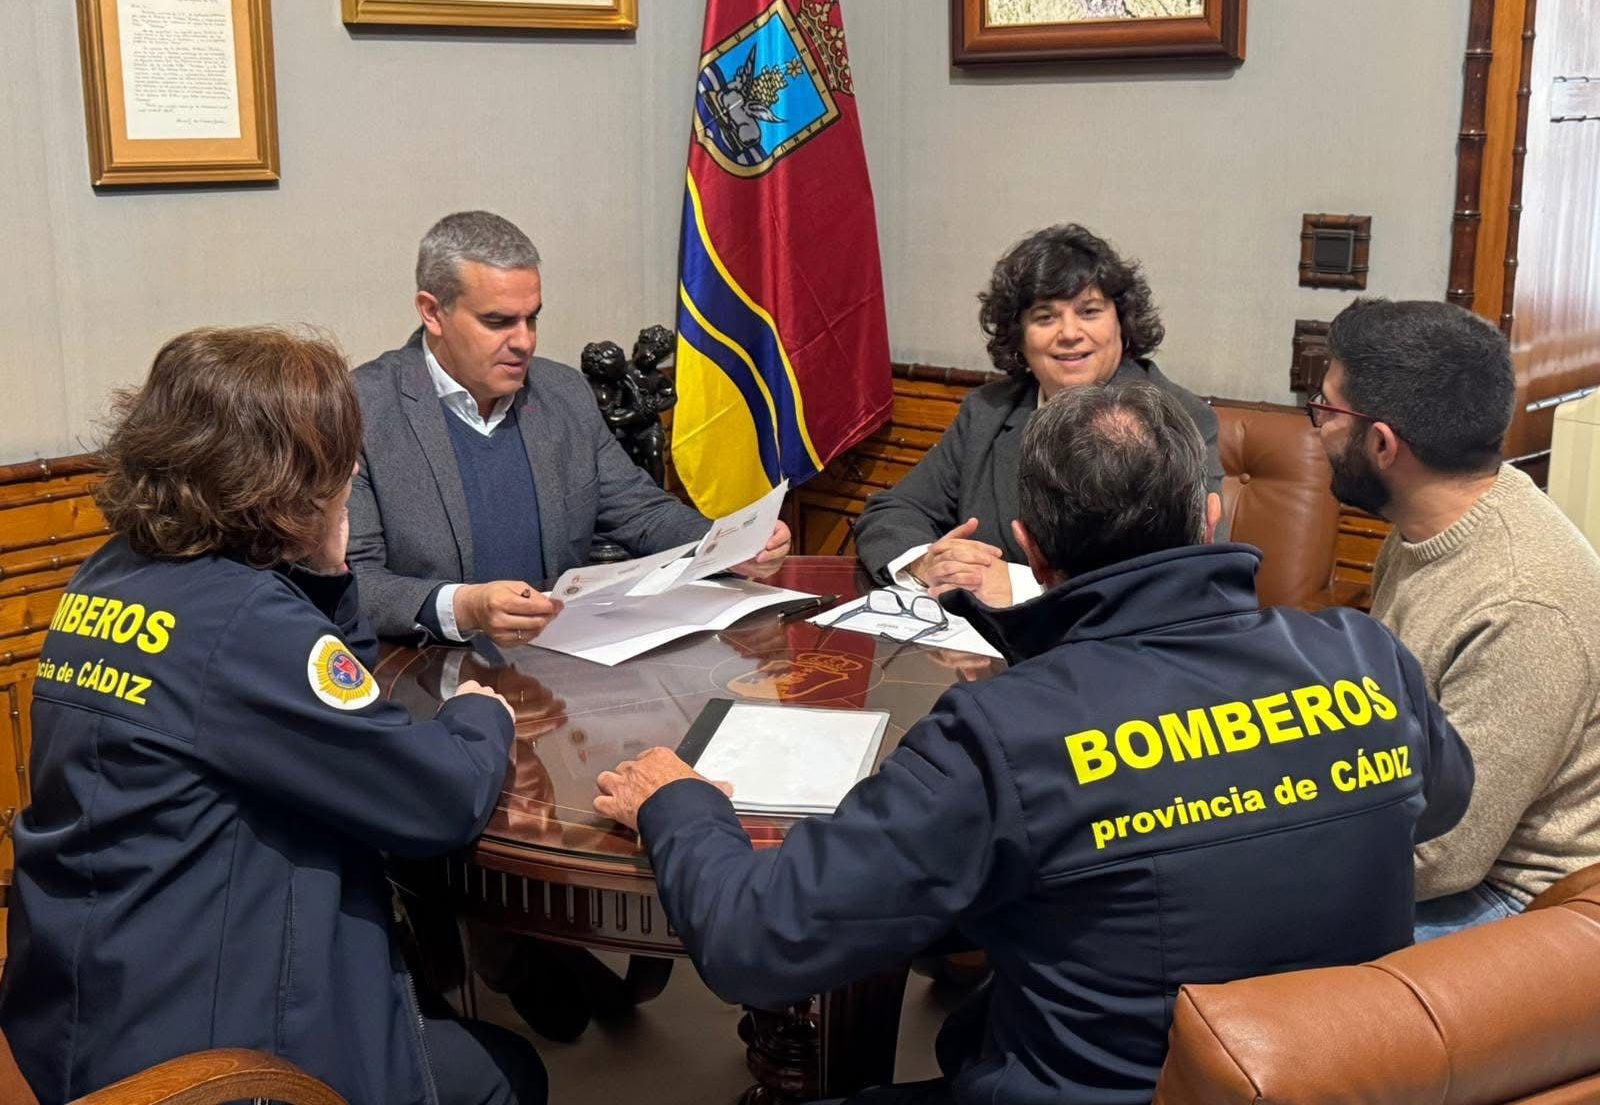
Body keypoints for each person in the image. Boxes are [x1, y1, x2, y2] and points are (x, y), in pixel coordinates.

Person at [594, 380, 1472, 1105]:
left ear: (1030, 550)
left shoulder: (1007, 732)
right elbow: (1442, 799)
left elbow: (760, 941)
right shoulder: (1365, 657)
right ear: (1210, 518)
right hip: (1349, 1081)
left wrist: (680, 801)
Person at [0, 327, 545, 1105]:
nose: (351, 474)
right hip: (221, 1055)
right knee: (508, 1077)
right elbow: (437, 799)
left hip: (88, 1007)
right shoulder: (243, 621)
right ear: (280, 481)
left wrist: (325, 575)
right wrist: (479, 717)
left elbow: (336, 706)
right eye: (336, 461)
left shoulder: (109, 576)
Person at [348, 210, 789, 646]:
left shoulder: (562, 392)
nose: (524, 341)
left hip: (560, 662)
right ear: (432, 312)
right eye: (498, 322)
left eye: (532, 318)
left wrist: (729, 546)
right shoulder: (362, 409)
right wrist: (465, 607)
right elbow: (356, 583)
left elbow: (639, 511)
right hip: (423, 671)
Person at [1313, 297, 1600, 940]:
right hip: (1425, 834)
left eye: (1328, 410)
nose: (1319, 428)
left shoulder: (1523, 606)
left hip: (1516, 899)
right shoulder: (1424, 525)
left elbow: (1444, 854)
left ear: (1382, 444)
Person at [853, 223, 1223, 608]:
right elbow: (894, 511)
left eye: (1089, 311)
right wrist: (926, 563)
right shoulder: (989, 412)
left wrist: (1020, 585)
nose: (1069, 333)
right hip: (978, 648)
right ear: (1020, 336)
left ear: (1121, 322)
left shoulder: (1176, 418)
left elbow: (1193, 568)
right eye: (1045, 317)